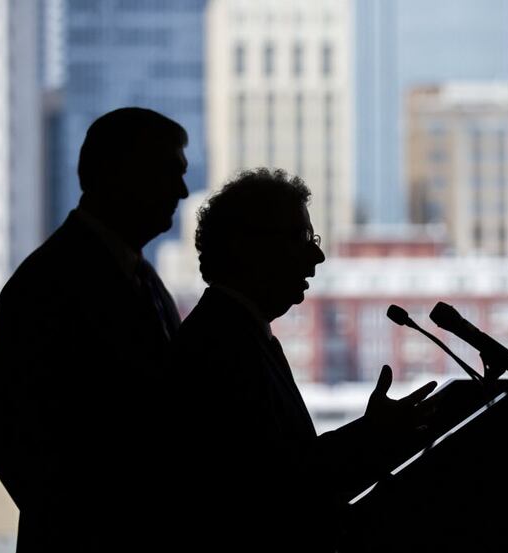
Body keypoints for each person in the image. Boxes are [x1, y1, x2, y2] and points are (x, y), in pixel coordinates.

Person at [171, 168, 436, 551]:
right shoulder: (220, 346)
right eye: (301, 237)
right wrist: (372, 438)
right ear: (251, 248)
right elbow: (274, 488)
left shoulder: (236, 331)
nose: (317, 254)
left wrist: (371, 435)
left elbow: (288, 466)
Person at [0, 107, 189, 552]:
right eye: (169, 172)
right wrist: (86, 522)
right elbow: (2, 429)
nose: (182, 191)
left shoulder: (145, 280)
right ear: (122, 173)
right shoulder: (48, 283)